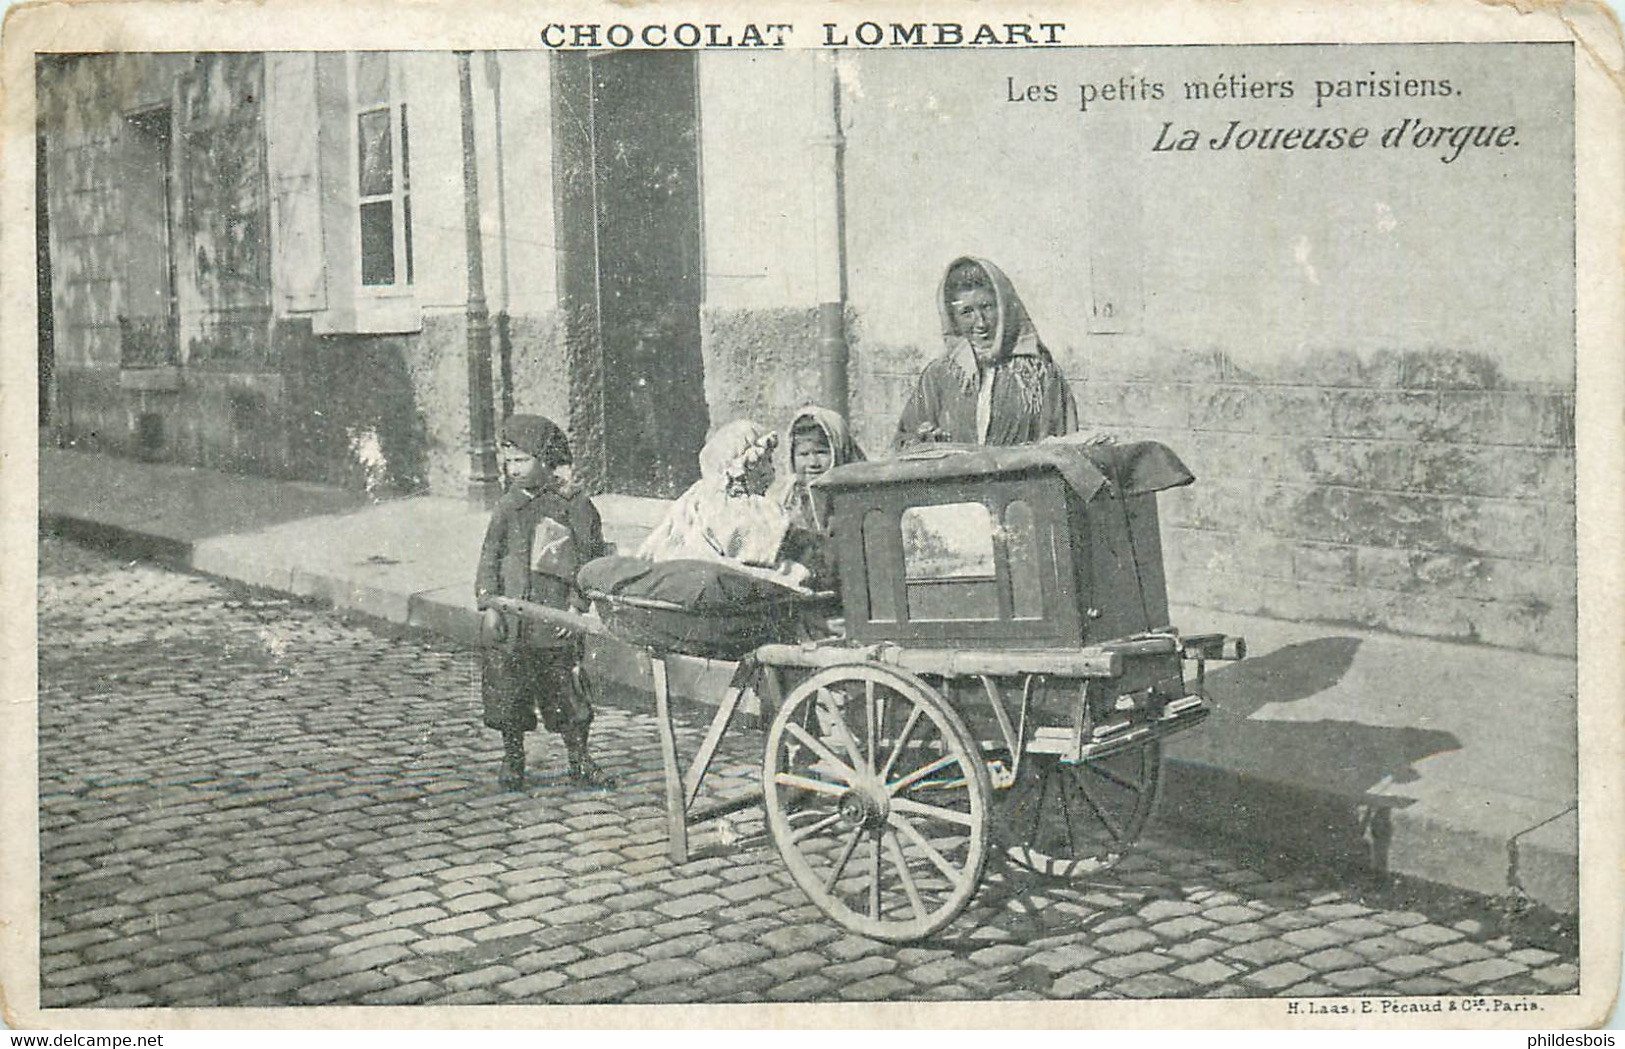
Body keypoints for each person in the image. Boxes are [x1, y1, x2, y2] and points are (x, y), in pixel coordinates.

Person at [475, 414, 612, 791]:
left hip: (553, 620)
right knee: (507, 690)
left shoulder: (574, 505)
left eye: (523, 460)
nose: (514, 469)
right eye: (510, 462)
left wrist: (575, 609)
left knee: (565, 691)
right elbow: (490, 556)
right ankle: (513, 756)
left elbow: (590, 562)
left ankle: (579, 758)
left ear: (546, 459)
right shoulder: (507, 506)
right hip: (511, 620)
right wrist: (488, 604)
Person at [896, 256, 1080, 449]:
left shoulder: (1041, 374)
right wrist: (924, 441)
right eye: (967, 312)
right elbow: (904, 440)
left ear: (1004, 308)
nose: (981, 323)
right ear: (953, 319)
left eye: (987, 307)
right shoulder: (938, 375)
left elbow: (1067, 448)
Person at [636, 419, 810, 588]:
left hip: (681, 559)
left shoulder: (701, 493)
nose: (771, 470)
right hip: (704, 560)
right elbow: (753, 547)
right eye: (767, 462)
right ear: (744, 467)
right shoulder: (735, 505)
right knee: (791, 573)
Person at [770, 406, 865, 591]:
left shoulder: (855, 495)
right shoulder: (784, 498)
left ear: (838, 450)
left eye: (822, 452)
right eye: (803, 455)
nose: (813, 463)